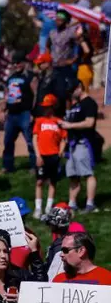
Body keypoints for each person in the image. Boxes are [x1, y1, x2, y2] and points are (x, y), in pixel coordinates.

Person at [60, 81, 99, 213]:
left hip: (83, 143)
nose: (71, 94)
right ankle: (72, 204)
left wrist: (70, 126)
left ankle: (90, 203)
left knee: (87, 173)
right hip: (72, 145)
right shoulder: (76, 104)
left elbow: (89, 123)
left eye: (72, 90)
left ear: (79, 87)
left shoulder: (89, 103)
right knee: (73, 175)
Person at [32, 95, 67, 219]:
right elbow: (35, 138)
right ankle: (38, 208)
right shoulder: (39, 121)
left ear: (53, 107)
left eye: (48, 107)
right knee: (40, 181)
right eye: (44, 107)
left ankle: (48, 208)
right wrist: (37, 155)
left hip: (54, 155)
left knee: (52, 182)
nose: (45, 110)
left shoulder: (58, 121)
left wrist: (60, 152)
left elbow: (64, 138)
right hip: (42, 155)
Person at [2, 52, 37, 173]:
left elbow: (36, 95)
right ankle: (7, 166)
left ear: (24, 63)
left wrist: (33, 112)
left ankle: (34, 165)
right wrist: (4, 110)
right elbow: (6, 94)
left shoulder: (30, 76)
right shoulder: (10, 78)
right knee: (8, 141)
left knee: (30, 141)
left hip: (25, 113)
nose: (16, 65)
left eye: (18, 62)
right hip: (11, 114)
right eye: (14, 63)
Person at [49, 10, 81, 90]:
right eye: (56, 19)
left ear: (65, 21)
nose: (57, 21)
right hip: (53, 67)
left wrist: (72, 60)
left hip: (65, 68)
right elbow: (48, 46)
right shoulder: (52, 33)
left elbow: (81, 46)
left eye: (60, 20)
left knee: (65, 92)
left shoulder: (71, 33)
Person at [34, 53, 68, 119]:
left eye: (40, 63)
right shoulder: (42, 76)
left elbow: (60, 96)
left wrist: (53, 111)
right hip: (41, 113)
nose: (38, 66)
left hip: (52, 114)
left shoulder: (57, 76)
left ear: (47, 63)